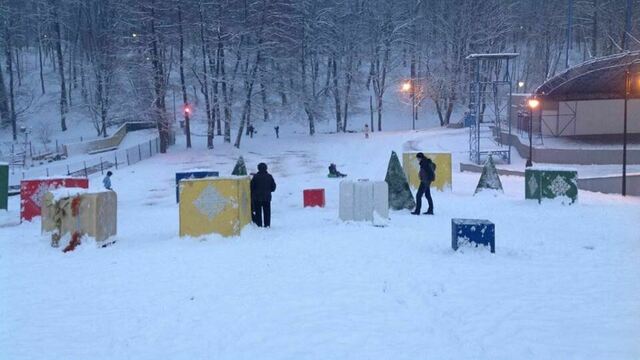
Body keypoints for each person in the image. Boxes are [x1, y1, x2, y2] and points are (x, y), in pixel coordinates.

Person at [250, 163, 276, 227]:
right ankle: (267, 225)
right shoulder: (269, 176)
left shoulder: (255, 177)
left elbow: (251, 187)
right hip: (267, 198)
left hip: (257, 198)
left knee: (258, 212)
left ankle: (259, 225)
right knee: (267, 212)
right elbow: (273, 187)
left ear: (258, 168)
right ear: (266, 168)